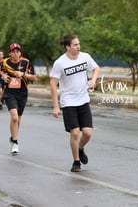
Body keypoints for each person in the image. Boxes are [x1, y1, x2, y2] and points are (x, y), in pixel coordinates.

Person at [49, 34, 100, 172]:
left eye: (79, 44)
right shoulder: (60, 63)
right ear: (67, 47)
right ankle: (76, 161)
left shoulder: (85, 57)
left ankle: (80, 148)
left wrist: (93, 80)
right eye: (75, 45)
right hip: (68, 102)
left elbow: (96, 68)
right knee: (75, 132)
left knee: (88, 133)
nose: (79, 47)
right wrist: (55, 106)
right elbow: (53, 84)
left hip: (83, 100)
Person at [0, 43, 36, 155]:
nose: (15, 53)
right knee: (14, 118)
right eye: (13, 51)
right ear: (9, 53)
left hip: (22, 93)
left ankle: (13, 136)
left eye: (17, 51)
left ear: (20, 53)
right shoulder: (5, 62)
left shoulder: (26, 62)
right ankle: (15, 142)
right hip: (9, 93)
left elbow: (34, 77)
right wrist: (4, 76)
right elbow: (2, 71)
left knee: (18, 119)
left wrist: (23, 74)